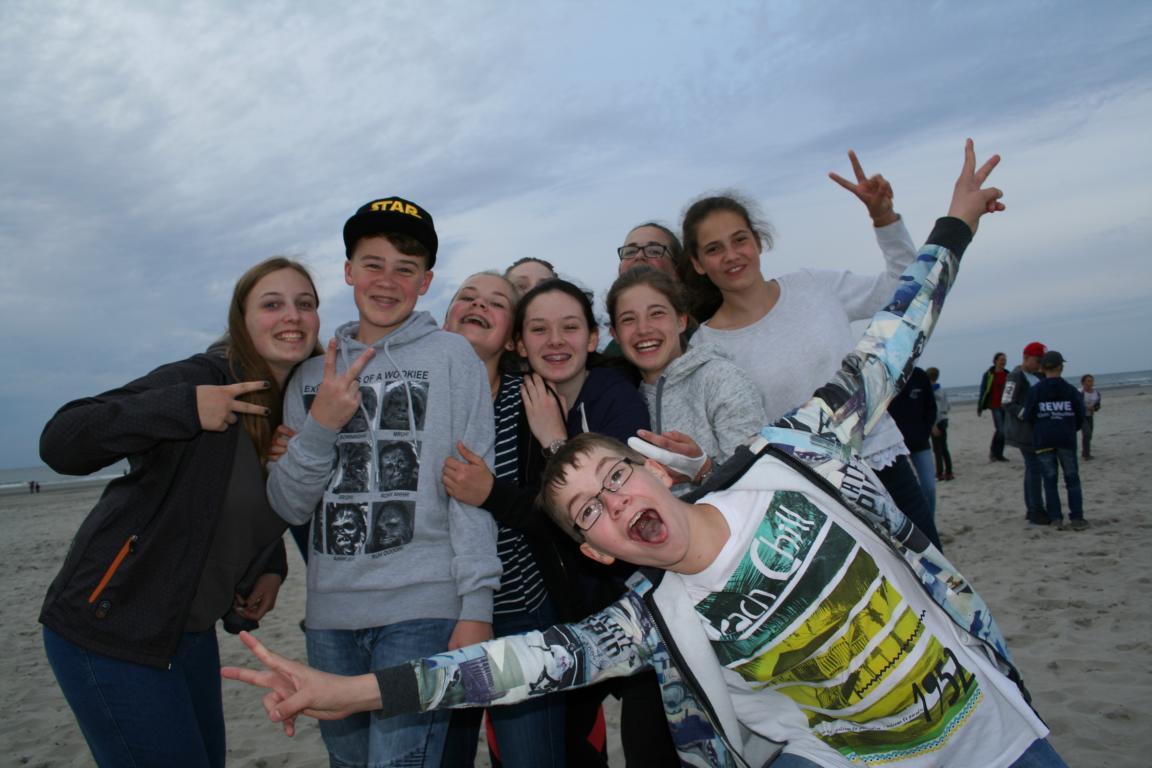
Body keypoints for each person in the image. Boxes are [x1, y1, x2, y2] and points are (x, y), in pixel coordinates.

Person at [224, 142, 1065, 768]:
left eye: (617, 476)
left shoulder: (794, 459)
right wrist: (345, 692)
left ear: (655, 466)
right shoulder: (648, 620)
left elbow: (898, 330)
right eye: (590, 512)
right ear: (595, 549)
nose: (618, 504)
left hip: (995, 738)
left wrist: (953, 222)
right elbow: (508, 669)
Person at [40, 256, 322, 767]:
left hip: (188, 633)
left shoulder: (298, 407)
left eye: (305, 304)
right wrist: (185, 407)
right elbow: (62, 441)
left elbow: (236, 501)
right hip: (112, 625)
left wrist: (269, 566)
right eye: (272, 304)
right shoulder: (202, 377)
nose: (292, 316)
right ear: (241, 319)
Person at [266, 197, 502, 767]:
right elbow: (289, 507)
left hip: (425, 609)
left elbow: (471, 492)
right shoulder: (309, 375)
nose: (387, 281)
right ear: (349, 271)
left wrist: (477, 608)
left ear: (426, 282)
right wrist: (320, 425)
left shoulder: (454, 358)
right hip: (330, 618)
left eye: (406, 268)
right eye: (373, 264)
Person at [677, 150, 935, 558]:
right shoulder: (706, 348)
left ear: (758, 241)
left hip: (883, 463)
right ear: (697, 263)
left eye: (740, 239)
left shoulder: (814, 286)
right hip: (812, 497)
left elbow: (902, 291)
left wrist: (884, 218)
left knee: (936, 581)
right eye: (714, 248)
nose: (731, 255)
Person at [510, 278, 677, 766]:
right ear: (519, 344)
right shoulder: (525, 402)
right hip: (575, 611)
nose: (555, 341)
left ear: (592, 337)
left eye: (569, 327)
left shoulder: (614, 397)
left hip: (642, 607)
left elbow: (620, 514)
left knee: (650, 747)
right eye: (539, 330)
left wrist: (555, 443)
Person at [438, 272, 566, 768]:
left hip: (520, 610)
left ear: (512, 338)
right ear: (445, 320)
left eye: (495, 303)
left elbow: (557, 513)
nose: (477, 305)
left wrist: (490, 493)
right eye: (466, 297)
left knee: (530, 757)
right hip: (431, 610)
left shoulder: (529, 399)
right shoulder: (414, 392)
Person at [605, 265, 765, 491]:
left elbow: (760, 480)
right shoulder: (621, 401)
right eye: (628, 319)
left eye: (657, 313)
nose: (643, 329)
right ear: (615, 334)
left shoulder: (720, 379)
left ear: (681, 320)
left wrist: (703, 471)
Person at [1025, 351, 1089, 531]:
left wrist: (1041, 425)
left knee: (1050, 480)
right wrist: (1069, 426)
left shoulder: (1036, 390)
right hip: (1065, 438)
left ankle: (1056, 518)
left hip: (1044, 439)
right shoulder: (1070, 390)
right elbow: (1080, 414)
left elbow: (1028, 415)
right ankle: (1076, 517)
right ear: (1061, 367)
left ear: (1042, 368)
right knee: (1072, 478)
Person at [886, 366, 941, 549]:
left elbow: (930, 407)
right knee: (900, 493)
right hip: (894, 446)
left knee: (929, 486)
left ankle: (928, 524)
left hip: (919, 443)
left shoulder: (919, 376)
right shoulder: (887, 374)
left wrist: (924, 432)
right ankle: (907, 530)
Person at [1002, 341, 1048, 524]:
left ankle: (1033, 509)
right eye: (1037, 360)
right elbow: (1007, 402)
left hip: (1037, 430)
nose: (1039, 364)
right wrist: (1026, 413)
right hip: (1024, 432)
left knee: (1033, 469)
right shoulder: (1015, 376)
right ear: (1026, 358)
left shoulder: (1038, 376)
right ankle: (1035, 510)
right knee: (1035, 468)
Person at [977, 352, 1010, 461]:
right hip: (995, 405)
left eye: (1004, 360)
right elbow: (983, 390)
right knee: (1000, 430)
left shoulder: (1008, 374)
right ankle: (995, 453)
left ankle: (997, 453)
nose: (1003, 362)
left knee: (1004, 431)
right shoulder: (989, 374)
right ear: (995, 361)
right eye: (1001, 360)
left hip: (1006, 406)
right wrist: (980, 406)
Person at [927, 366, 954, 481]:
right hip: (944, 419)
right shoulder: (942, 390)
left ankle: (939, 473)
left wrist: (934, 424)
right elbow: (948, 406)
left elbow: (934, 409)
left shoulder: (930, 392)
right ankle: (949, 472)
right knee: (944, 448)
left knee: (937, 449)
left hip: (937, 421)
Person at [1079, 374, 1101, 459]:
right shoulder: (1080, 392)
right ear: (1083, 383)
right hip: (1081, 416)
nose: (1090, 383)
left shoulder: (1096, 393)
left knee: (1089, 435)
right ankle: (1086, 455)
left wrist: (1094, 408)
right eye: (1088, 381)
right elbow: (1075, 404)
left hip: (1090, 416)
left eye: (1091, 381)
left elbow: (1098, 405)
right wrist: (1085, 407)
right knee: (1087, 433)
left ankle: (1085, 453)